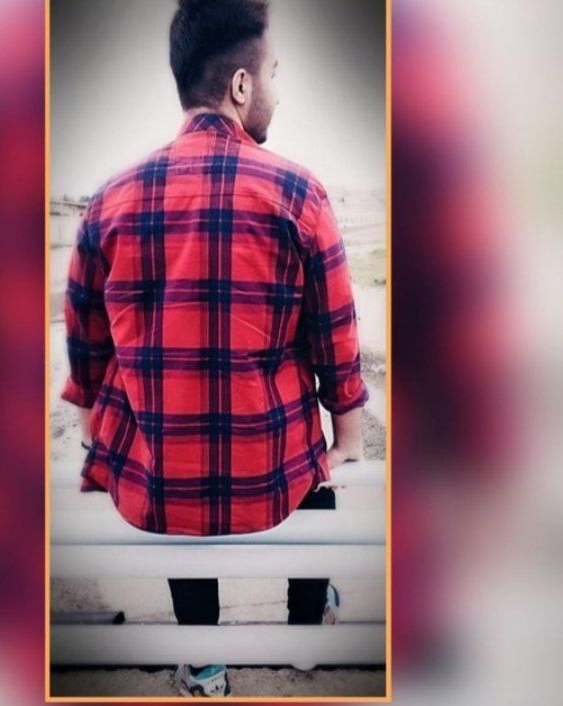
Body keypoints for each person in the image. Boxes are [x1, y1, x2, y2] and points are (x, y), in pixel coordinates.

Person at [60, 0, 368, 696]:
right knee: (314, 468)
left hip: (163, 478)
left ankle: (203, 664)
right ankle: (304, 631)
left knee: (171, 465)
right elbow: (335, 333)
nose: (277, 92)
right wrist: (347, 431)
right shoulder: (299, 192)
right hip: (274, 473)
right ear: (240, 85)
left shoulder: (109, 200)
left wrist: (91, 424)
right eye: (274, 75)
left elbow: (86, 343)